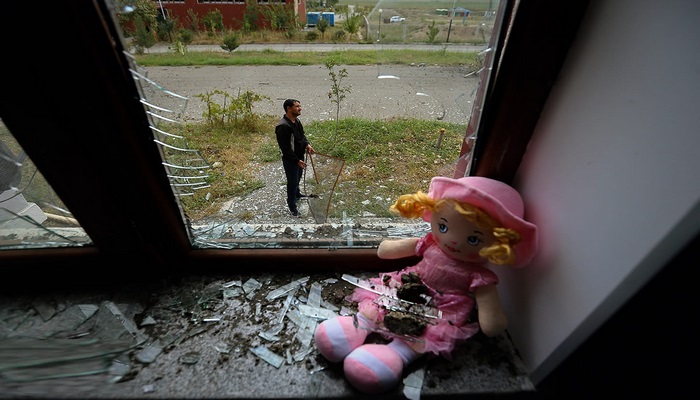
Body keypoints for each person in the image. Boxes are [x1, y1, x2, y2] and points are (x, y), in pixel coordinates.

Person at [314, 176, 538, 394]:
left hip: (443, 306)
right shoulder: (430, 243)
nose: (452, 240)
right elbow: (388, 250)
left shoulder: (479, 275)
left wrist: (492, 320)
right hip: (409, 283)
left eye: (473, 239)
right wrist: (389, 249)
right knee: (382, 299)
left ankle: (398, 353)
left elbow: (492, 322)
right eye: (443, 227)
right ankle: (359, 323)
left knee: (427, 331)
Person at [275, 99, 314, 217]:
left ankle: (297, 194)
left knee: (298, 177)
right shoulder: (283, 126)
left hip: (299, 157)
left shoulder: (296, 121)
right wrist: (296, 160)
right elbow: (285, 148)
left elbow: (301, 136)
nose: (300, 108)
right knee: (292, 182)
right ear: (289, 108)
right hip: (290, 160)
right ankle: (292, 206)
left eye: (299, 106)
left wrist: (307, 145)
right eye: (297, 106)